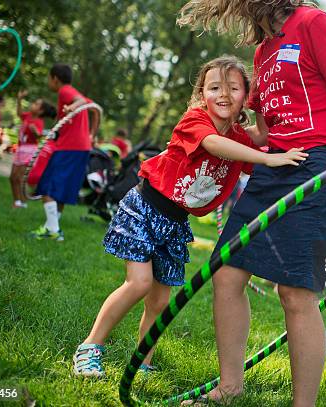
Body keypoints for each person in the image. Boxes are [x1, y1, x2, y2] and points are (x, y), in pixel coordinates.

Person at [177, 2, 326, 405]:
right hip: (276, 166)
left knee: (295, 291)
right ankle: (229, 387)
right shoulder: (264, 51)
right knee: (225, 272)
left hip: (321, 164)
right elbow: (265, 131)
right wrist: (210, 137)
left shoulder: (314, 24)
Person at [72, 55, 308, 377]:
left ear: (245, 98)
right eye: (214, 88)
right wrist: (268, 161)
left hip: (175, 223)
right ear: (201, 95)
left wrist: (261, 106)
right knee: (139, 283)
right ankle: (90, 346)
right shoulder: (195, 121)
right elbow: (215, 146)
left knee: (159, 301)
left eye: (234, 89)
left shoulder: (240, 138)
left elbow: (263, 137)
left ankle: (143, 360)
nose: (223, 94)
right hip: (145, 207)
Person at [30, 63, 99, 241]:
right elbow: (95, 110)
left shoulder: (65, 91)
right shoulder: (74, 92)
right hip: (81, 148)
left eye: (49, 78)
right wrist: (91, 134)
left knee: (47, 186)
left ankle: (53, 230)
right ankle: (51, 227)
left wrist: (72, 106)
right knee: (61, 191)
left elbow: (82, 103)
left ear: (55, 79)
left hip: (69, 148)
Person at [10, 90, 56, 208]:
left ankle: (22, 202)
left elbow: (39, 135)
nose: (33, 104)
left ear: (40, 111)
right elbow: (19, 113)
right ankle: (17, 201)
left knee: (19, 178)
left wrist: (35, 131)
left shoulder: (38, 122)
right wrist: (19, 99)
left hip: (29, 150)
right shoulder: (27, 116)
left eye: (36, 104)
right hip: (20, 149)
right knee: (12, 177)